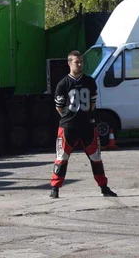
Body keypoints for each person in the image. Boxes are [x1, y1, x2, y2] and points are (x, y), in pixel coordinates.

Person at [50, 51, 116, 199]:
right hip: (68, 127)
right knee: (62, 158)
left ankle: (104, 187)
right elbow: (59, 107)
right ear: (69, 63)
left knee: (96, 157)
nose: (79, 64)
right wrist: (69, 119)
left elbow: (92, 103)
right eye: (76, 62)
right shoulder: (63, 84)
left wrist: (86, 118)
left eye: (81, 62)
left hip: (87, 126)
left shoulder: (90, 81)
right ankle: (55, 188)